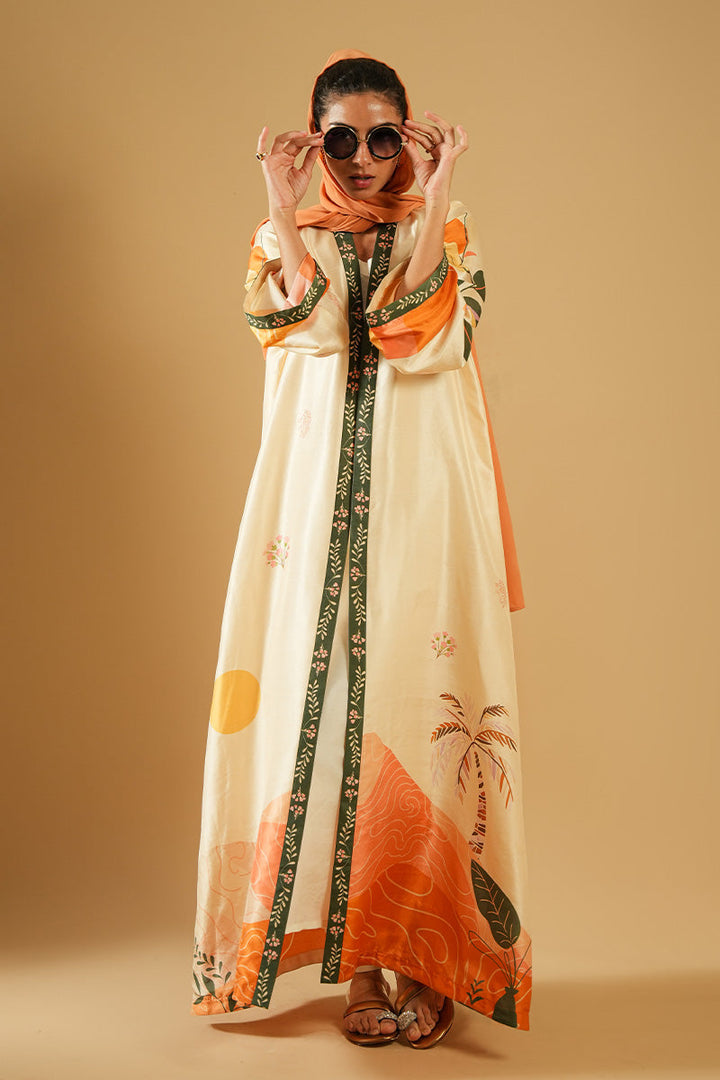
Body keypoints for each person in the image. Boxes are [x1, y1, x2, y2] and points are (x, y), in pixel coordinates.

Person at [191, 49, 532, 1049]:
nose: (367, 156)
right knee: (335, 726)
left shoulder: (444, 231)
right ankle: (363, 974)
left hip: (423, 506)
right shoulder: (285, 240)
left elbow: (411, 328)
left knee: (418, 722)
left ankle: (430, 966)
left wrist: (444, 183)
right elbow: (306, 324)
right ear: (317, 140)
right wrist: (277, 192)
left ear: (409, 135)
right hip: (311, 519)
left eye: (387, 136)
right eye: (341, 138)